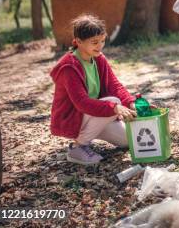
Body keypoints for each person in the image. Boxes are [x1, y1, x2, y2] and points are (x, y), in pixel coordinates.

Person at [50, 14, 138, 165]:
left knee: (129, 141)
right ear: (78, 41)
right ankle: (77, 147)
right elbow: (81, 103)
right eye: (94, 42)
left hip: (96, 115)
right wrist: (114, 107)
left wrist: (131, 103)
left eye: (102, 41)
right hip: (75, 117)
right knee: (113, 101)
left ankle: (91, 133)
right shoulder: (69, 67)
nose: (100, 46)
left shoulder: (99, 58)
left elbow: (114, 86)